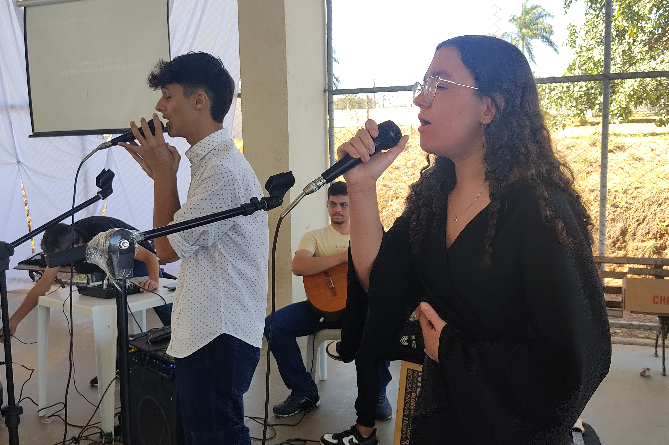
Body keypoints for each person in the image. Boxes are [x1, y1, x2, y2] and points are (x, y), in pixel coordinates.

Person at [336, 35, 612, 445]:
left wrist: (451, 349)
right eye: (423, 85)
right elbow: (380, 282)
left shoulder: (541, 212)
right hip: (441, 416)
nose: (420, 100)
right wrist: (360, 187)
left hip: (512, 428)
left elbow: (575, 359)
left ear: (489, 107)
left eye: (440, 85)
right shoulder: (432, 201)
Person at [120, 52, 268, 445]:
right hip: (205, 330)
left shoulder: (222, 171)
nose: (159, 107)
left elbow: (165, 249)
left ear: (199, 100)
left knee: (216, 437)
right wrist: (164, 174)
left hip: (218, 333)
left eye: (168, 96)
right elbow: (181, 239)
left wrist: (162, 176)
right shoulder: (209, 164)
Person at [264, 181, 392, 445]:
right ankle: (304, 392)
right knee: (275, 325)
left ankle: (378, 393)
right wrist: (342, 258)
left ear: (352, 206)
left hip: (361, 308)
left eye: (343, 205)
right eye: (333, 204)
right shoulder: (315, 236)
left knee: (379, 326)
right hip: (322, 307)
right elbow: (299, 265)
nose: (338, 209)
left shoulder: (367, 234)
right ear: (327, 205)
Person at [5, 216, 165, 341]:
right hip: (108, 267)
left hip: (136, 261)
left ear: (73, 248)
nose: (58, 263)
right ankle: (116, 365)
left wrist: (153, 281)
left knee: (160, 303)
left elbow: (150, 257)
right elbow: (42, 286)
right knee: (112, 319)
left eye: (60, 258)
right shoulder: (61, 247)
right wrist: (13, 322)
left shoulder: (106, 238)